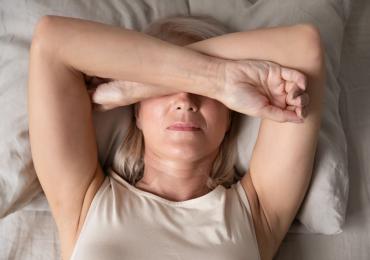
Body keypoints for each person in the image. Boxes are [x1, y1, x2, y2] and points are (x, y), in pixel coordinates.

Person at [27, 14, 325, 260]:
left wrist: (138, 85)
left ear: (230, 115)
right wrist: (217, 80)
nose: (185, 99)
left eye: (206, 92)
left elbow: (302, 47)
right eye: (164, 88)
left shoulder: (258, 210)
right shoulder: (85, 202)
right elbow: (52, 41)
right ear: (137, 114)